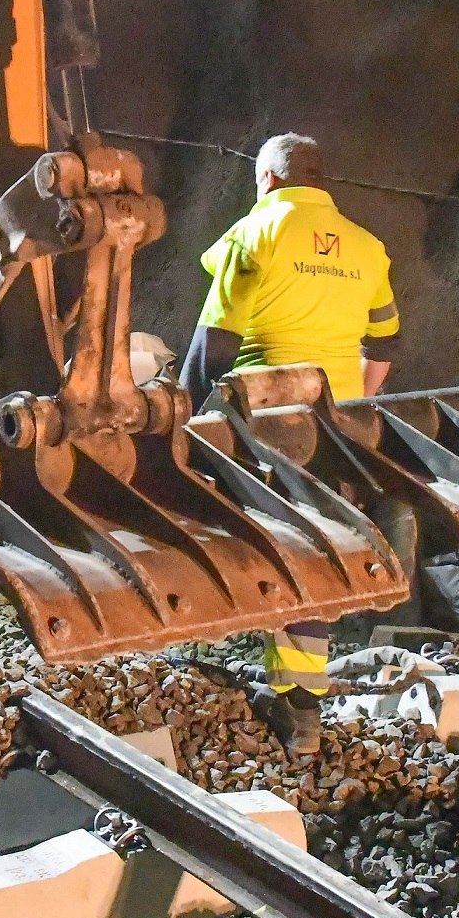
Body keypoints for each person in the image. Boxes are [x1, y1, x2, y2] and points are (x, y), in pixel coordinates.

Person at [178, 132, 399, 751]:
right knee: (314, 548)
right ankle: (303, 708)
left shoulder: (257, 233)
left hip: (259, 423)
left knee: (228, 527)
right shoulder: (366, 246)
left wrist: (178, 417)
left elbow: (214, 342)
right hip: (333, 427)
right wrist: (352, 402)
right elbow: (384, 340)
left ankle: (199, 638)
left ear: (269, 181)